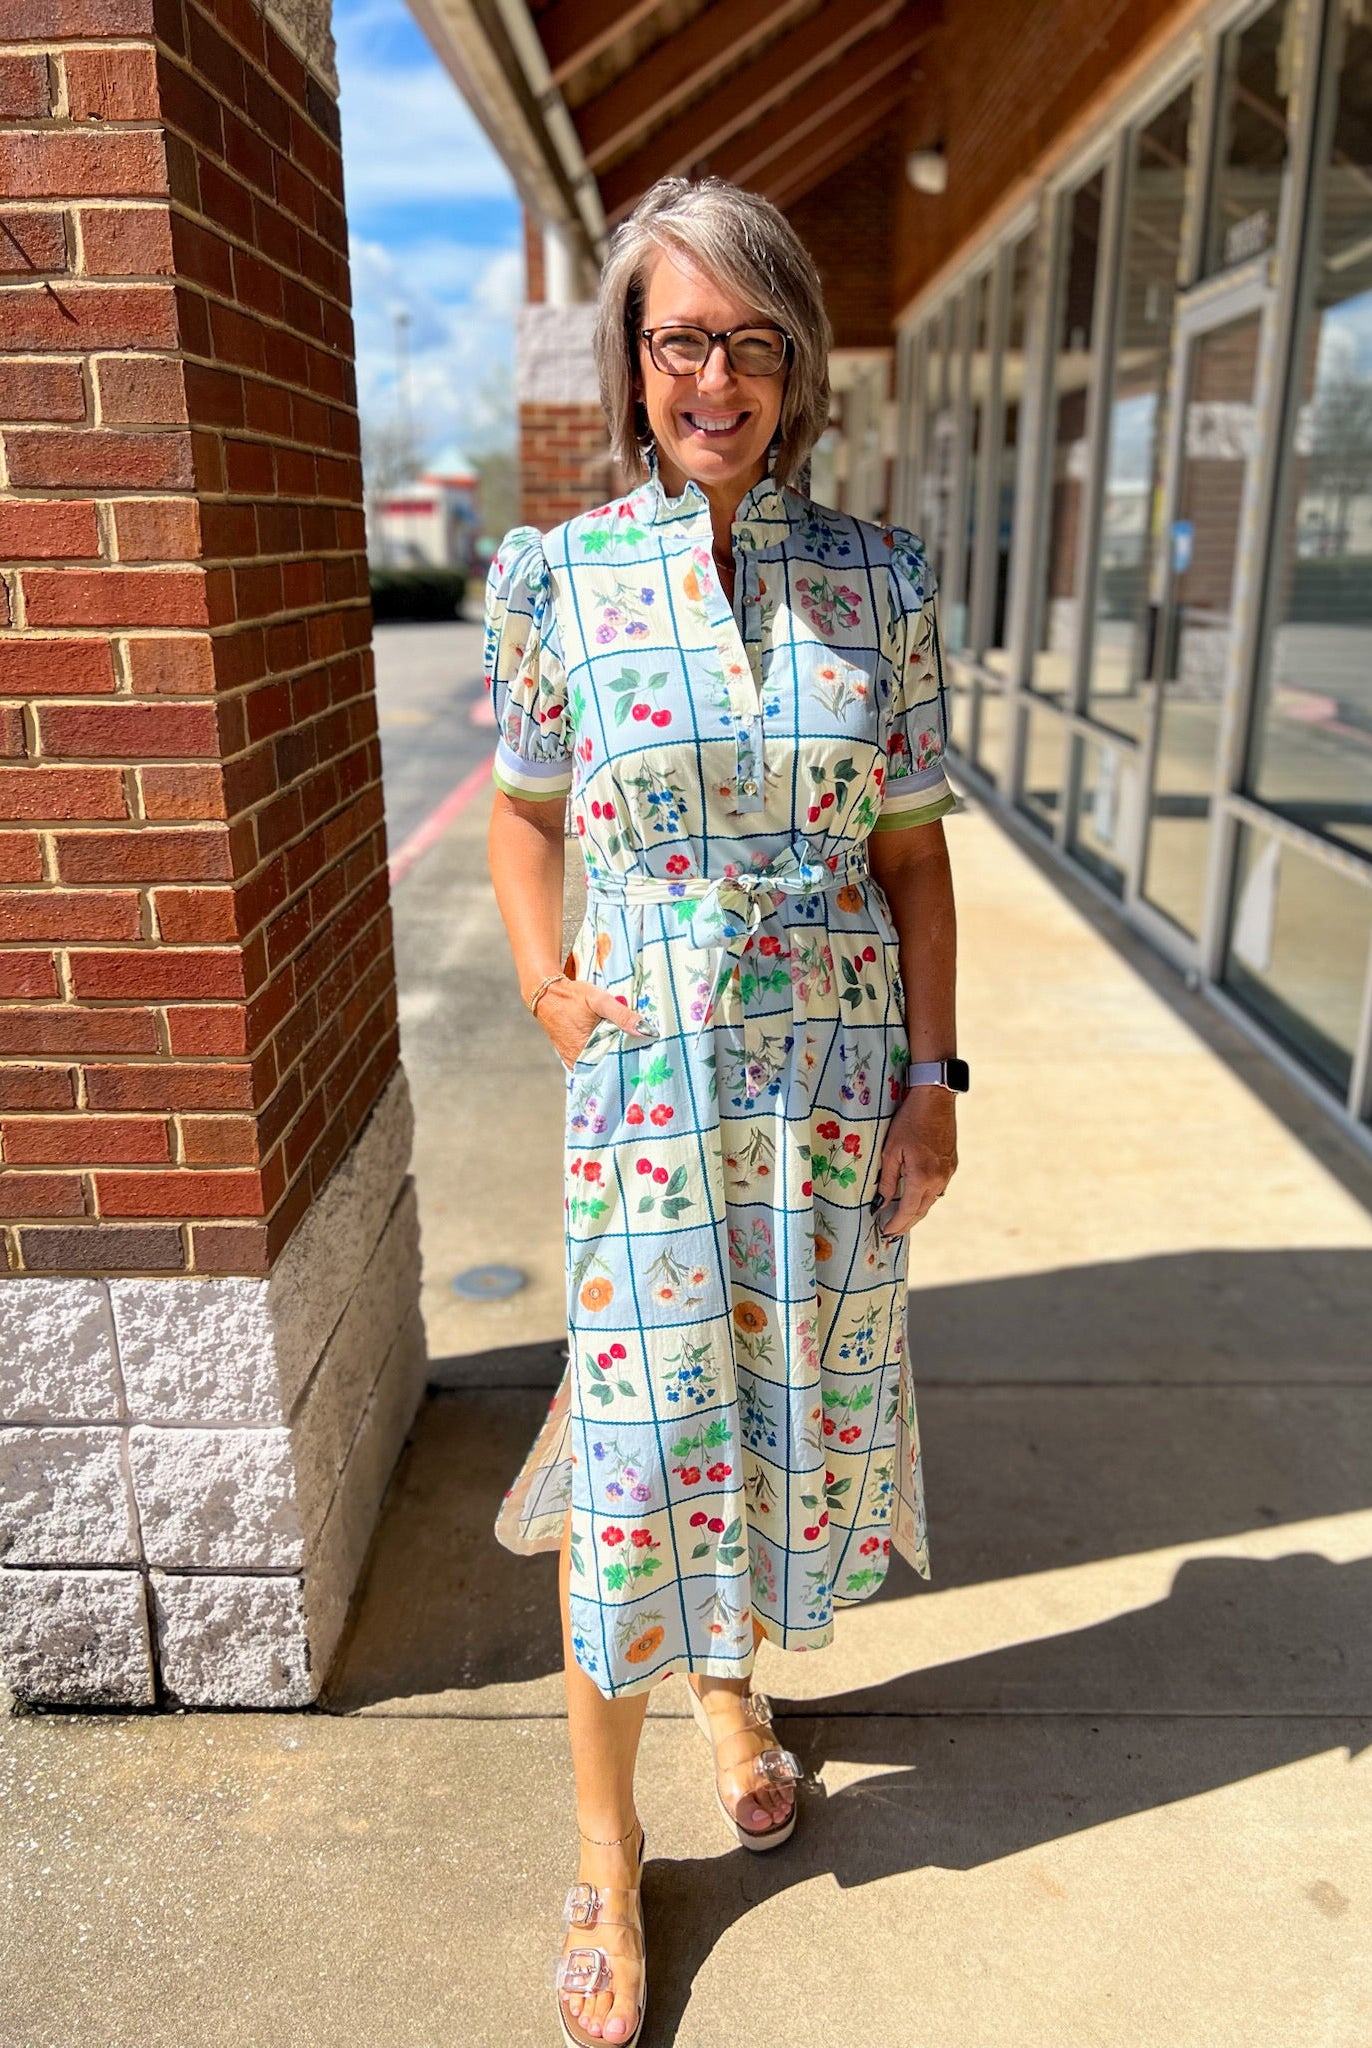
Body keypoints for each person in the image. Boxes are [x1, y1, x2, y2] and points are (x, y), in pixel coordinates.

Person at [484, 175, 963, 2048]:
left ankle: (729, 1692)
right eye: (683, 336)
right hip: (655, 1087)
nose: (718, 374)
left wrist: (932, 1084)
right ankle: (605, 1847)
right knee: (641, 1440)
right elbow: (528, 823)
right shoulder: (560, 580)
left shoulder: (882, 580)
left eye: (752, 340)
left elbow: (914, 859)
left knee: (772, 1408)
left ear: (796, 365)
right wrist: (548, 987)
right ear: (632, 356)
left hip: (836, 1087)